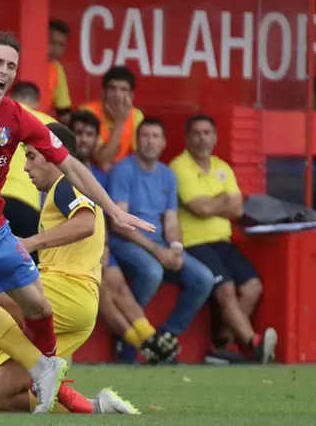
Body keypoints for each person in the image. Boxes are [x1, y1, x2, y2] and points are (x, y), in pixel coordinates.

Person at [0, 30, 155, 416]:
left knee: (37, 307)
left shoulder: (19, 119)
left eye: (12, 66)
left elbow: (70, 165)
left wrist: (113, 211)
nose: (5, 71)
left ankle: (50, 373)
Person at [0, 122, 139, 416]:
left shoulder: (67, 182)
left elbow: (86, 223)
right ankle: (96, 407)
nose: (26, 167)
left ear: (54, 154)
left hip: (66, 293)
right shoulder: (64, 190)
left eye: (31, 156)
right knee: (0, 398)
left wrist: (30, 243)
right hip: (75, 305)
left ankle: (44, 369)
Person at [71, 112, 179, 363]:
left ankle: (149, 339)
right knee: (103, 291)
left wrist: (105, 245)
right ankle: (142, 342)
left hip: (99, 245)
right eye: (79, 133)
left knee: (117, 282)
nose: (84, 140)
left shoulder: (100, 175)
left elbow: (105, 216)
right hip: (70, 248)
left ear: (97, 140)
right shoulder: (57, 170)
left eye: (89, 135)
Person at [170, 115, 276, 364]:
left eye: (207, 133)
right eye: (196, 133)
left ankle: (223, 346)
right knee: (226, 289)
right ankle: (255, 342)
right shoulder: (179, 166)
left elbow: (238, 209)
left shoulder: (222, 167)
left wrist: (214, 202)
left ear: (215, 138)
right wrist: (223, 201)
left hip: (223, 242)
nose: (201, 138)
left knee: (253, 286)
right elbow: (200, 208)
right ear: (187, 138)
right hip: (194, 244)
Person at [108, 119, 215, 360]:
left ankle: (164, 338)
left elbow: (172, 221)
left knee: (204, 279)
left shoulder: (168, 175)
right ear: (137, 141)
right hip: (126, 241)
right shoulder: (123, 169)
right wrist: (157, 251)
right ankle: (128, 337)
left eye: (156, 136)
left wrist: (176, 248)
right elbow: (119, 223)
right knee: (152, 271)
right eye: (145, 136)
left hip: (159, 245)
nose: (150, 141)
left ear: (164, 142)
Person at [3, 81, 57, 262]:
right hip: (26, 204)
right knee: (28, 273)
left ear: (10, 97)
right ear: (36, 103)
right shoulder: (48, 123)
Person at [79, 66, 144, 170]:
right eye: (112, 88)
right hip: (90, 171)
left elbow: (139, 159)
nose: (117, 95)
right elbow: (101, 160)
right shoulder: (88, 112)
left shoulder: (136, 115)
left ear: (131, 96)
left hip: (121, 172)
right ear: (103, 93)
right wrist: (120, 122)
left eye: (123, 90)